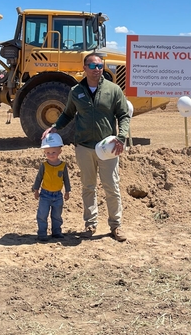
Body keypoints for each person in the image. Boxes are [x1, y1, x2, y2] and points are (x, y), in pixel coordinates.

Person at [42, 53, 130, 242]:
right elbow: (67, 113)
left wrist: (121, 137)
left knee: (111, 187)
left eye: (99, 66)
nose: (97, 69)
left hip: (108, 148)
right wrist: (55, 127)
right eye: (92, 66)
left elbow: (123, 115)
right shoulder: (76, 91)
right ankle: (90, 225)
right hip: (83, 147)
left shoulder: (113, 90)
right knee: (88, 187)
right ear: (85, 68)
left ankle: (116, 226)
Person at [32, 133, 71, 242]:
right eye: (48, 152)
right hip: (45, 195)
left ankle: (57, 232)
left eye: (53, 152)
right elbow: (39, 178)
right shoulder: (44, 165)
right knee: (42, 215)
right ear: (44, 152)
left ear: (60, 152)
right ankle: (42, 233)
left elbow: (66, 179)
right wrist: (36, 190)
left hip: (58, 195)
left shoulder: (63, 166)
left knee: (57, 216)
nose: (51, 154)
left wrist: (67, 191)